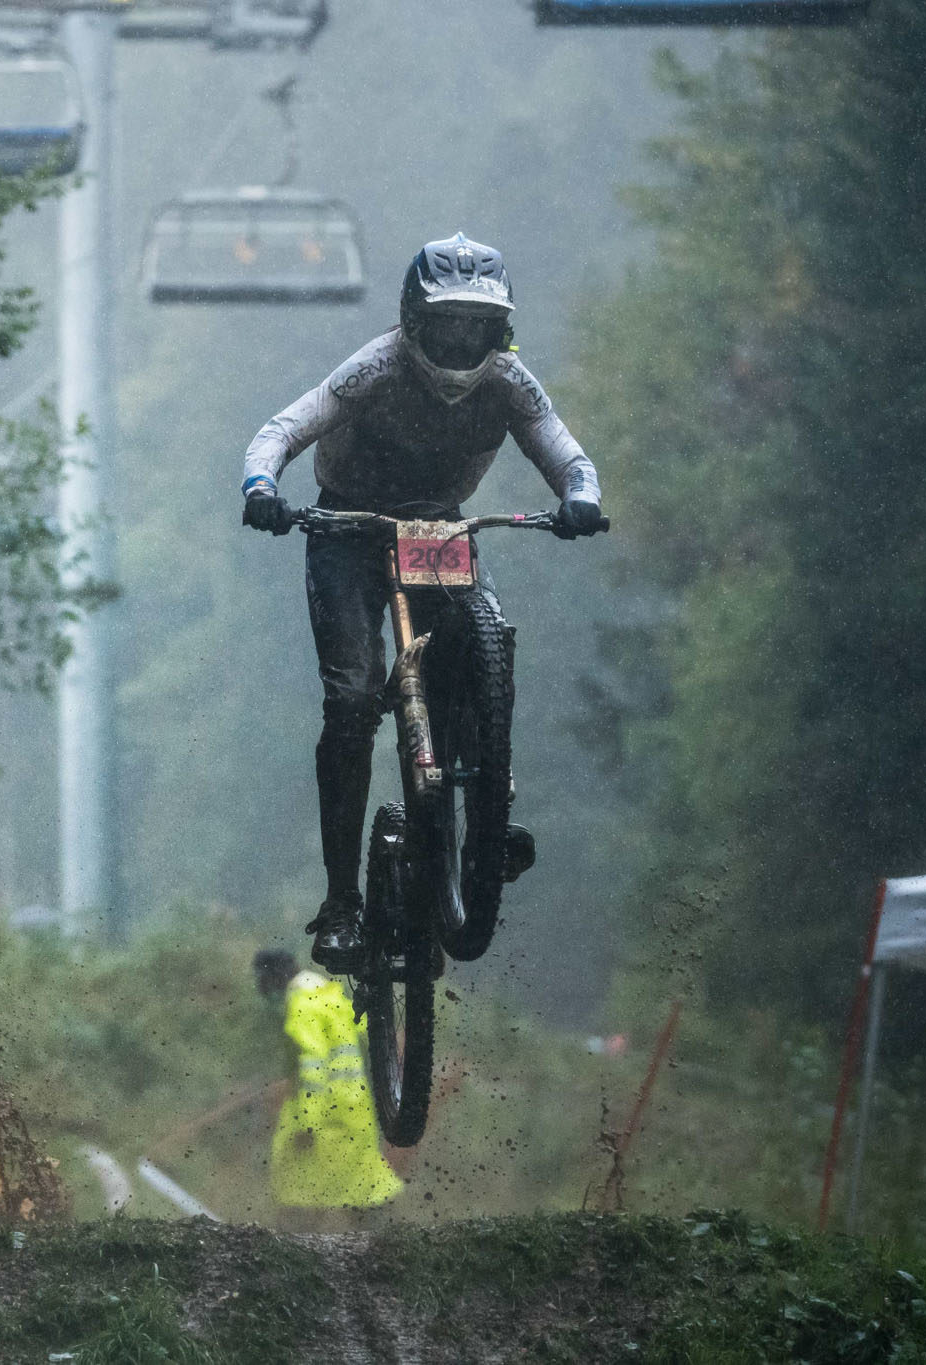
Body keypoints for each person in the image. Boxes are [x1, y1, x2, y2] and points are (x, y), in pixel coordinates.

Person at [239, 232, 604, 973]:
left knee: (486, 641)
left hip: (437, 523)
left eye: (479, 325)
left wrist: (582, 497)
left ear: (500, 328)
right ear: (414, 321)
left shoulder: (510, 381)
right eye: (449, 324)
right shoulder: (375, 367)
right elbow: (284, 427)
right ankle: (342, 900)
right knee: (349, 699)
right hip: (348, 523)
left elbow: (564, 449)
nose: (464, 340)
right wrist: (263, 487)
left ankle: (487, 818)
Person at [252, 948, 402, 1223]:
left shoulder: (303, 1004)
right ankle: (384, 1253)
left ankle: (293, 1256)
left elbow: (313, 1068)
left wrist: (307, 1124)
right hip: (356, 1114)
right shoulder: (332, 997)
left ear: (273, 978)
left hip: (324, 1118)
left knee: (298, 1190)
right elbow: (368, 1035)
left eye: (262, 982)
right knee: (362, 1192)